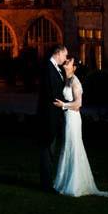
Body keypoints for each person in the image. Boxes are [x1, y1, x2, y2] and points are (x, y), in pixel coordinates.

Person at [52, 58, 108, 198]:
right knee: (67, 147)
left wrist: (64, 105)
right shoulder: (66, 80)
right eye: (66, 60)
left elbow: (78, 103)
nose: (66, 62)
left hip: (73, 118)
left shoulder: (75, 82)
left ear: (74, 68)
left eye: (70, 62)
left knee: (73, 147)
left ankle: (75, 184)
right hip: (67, 118)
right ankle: (63, 181)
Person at [37, 44, 68, 193]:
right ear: (58, 53)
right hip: (48, 116)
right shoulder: (48, 68)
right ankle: (46, 185)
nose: (65, 58)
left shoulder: (55, 68)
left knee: (50, 151)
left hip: (53, 117)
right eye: (65, 55)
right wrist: (65, 104)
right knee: (46, 150)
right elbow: (51, 93)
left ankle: (48, 183)